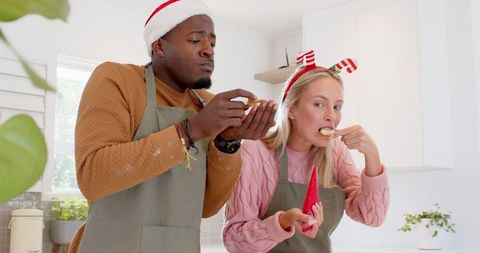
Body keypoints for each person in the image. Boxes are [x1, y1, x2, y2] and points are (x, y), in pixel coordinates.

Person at [69, 0, 277, 252]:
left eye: (212, 43)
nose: (208, 50)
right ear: (159, 45)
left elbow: (206, 207)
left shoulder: (206, 106)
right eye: (195, 40)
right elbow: (94, 177)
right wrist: (192, 131)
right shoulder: (116, 80)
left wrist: (227, 143)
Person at [222, 50, 390, 253]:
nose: (331, 116)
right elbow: (234, 240)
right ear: (291, 108)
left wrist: (372, 155)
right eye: (319, 104)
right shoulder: (255, 152)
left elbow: (372, 217)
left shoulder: (335, 151)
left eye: (337, 107)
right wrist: (284, 222)